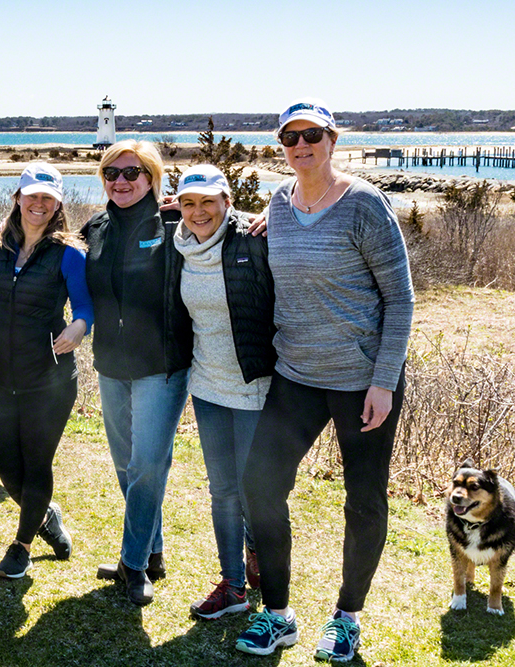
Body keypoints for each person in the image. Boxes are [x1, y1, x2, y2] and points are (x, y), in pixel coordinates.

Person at [235, 99, 413, 661]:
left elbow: (401, 299)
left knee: (363, 500)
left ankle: (347, 616)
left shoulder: (364, 204)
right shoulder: (280, 204)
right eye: (290, 138)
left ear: (332, 139)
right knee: (260, 485)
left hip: (362, 381)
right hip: (296, 376)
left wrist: (384, 381)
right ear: (282, 148)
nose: (301, 145)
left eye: (312, 134)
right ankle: (279, 615)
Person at [83, 140, 191, 605]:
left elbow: (223, 227)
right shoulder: (96, 227)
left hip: (162, 366)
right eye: (112, 174)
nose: (121, 182)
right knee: (129, 467)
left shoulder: (174, 223)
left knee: (149, 464)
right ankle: (154, 551)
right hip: (111, 363)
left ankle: (133, 564)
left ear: (151, 177)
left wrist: (262, 219)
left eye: (131, 173)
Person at [169, 164, 275, 620]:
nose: (198, 211)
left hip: (255, 386)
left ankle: (269, 575)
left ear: (226, 203)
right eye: (189, 203)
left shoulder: (256, 237)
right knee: (223, 491)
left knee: (257, 493)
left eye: (208, 202)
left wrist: (282, 206)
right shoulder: (177, 244)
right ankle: (233, 587)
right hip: (207, 386)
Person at [0, 164, 94, 579]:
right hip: (0, 376)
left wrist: (80, 326)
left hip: (49, 376)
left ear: (58, 203)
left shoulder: (69, 252)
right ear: (18, 198)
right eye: (32, 196)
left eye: (48, 198)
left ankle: (21, 546)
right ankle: (46, 517)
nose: (39, 204)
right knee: (8, 467)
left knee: (37, 462)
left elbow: (83, 306)